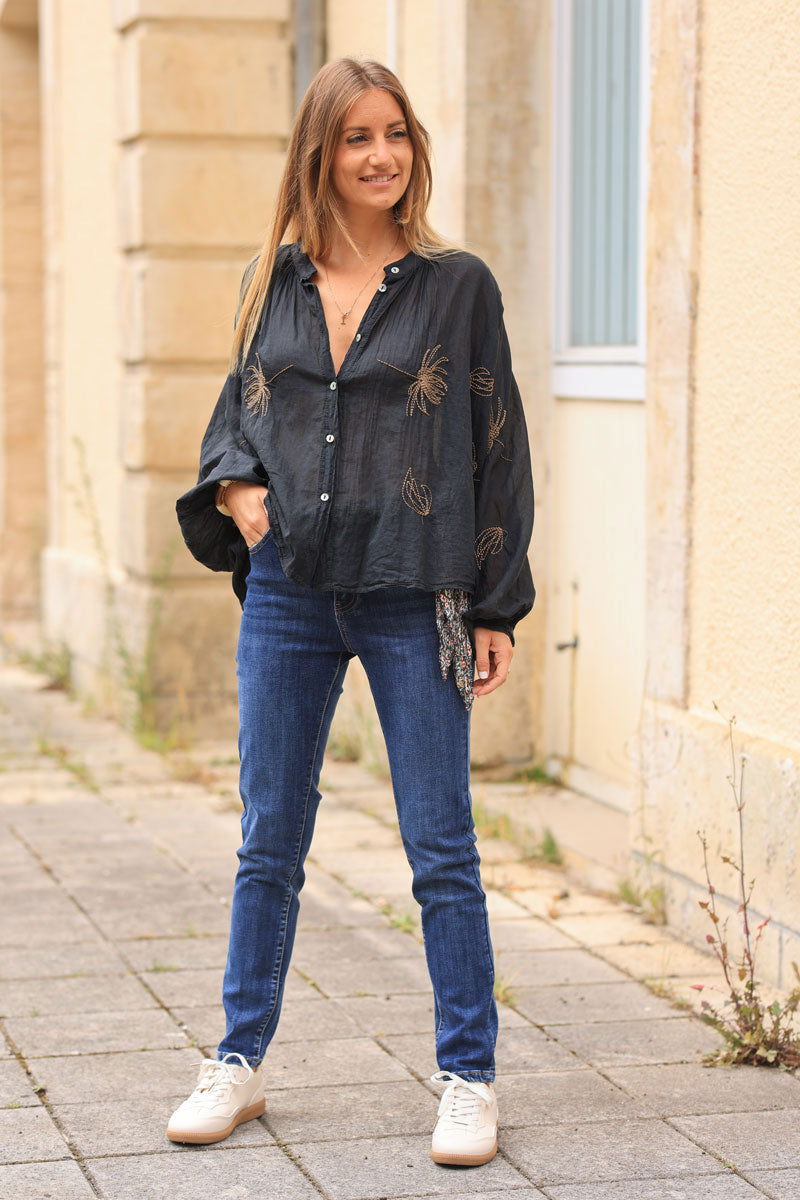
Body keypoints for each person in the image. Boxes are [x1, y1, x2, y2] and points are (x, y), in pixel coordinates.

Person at [170, 56, 535, 1168]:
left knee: (439, 846)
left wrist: (494, 604)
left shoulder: (454, 285)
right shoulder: (266, 284)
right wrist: (234, 488)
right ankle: (236, 1060)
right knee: (267, 836)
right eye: (356, 138)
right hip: (288, 594)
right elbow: (237, 416)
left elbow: (497, 446)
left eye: (397, 134)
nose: (381, 155)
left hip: (412, 589)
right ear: (318, 154)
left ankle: (466, 1076)